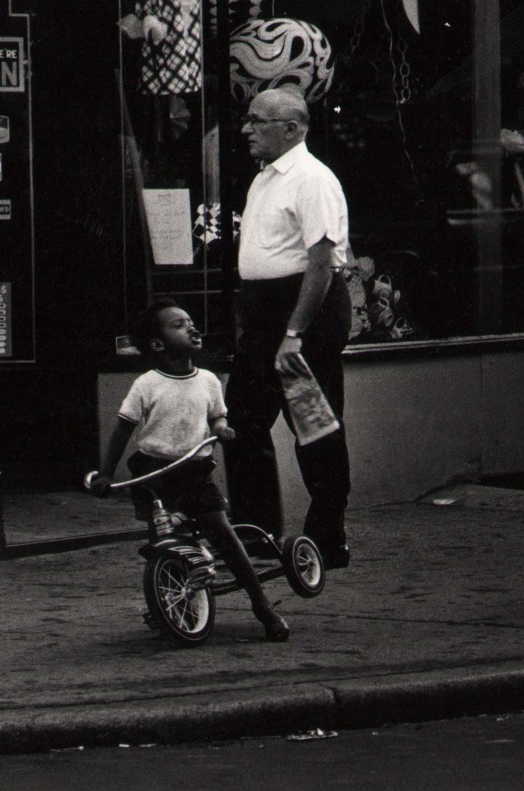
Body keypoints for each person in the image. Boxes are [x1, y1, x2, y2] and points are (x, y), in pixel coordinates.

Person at [91, 297, 290, 643]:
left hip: (194, 469)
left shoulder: (209, 380)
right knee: (163, 538)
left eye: (191, 322)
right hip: (154, 472)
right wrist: (105, 474)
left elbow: (216, 415)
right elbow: (123, 429)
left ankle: (262, 606)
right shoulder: (147, 384)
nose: (192, 327)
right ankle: (171, 602)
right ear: (157, 344)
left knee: (223, 532)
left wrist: (222, 428)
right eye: (179, 325)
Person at [226, 86, 353, 569]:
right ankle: (256, 533)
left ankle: (328, 536)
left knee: (313, 424)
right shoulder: (264, 179)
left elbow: (322, 263)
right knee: (242, 421)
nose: (246, 129)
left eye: (257, 121)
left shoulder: (312, 179)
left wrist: (294, 333)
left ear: (292, 128)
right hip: (264, 314)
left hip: (303, 311)